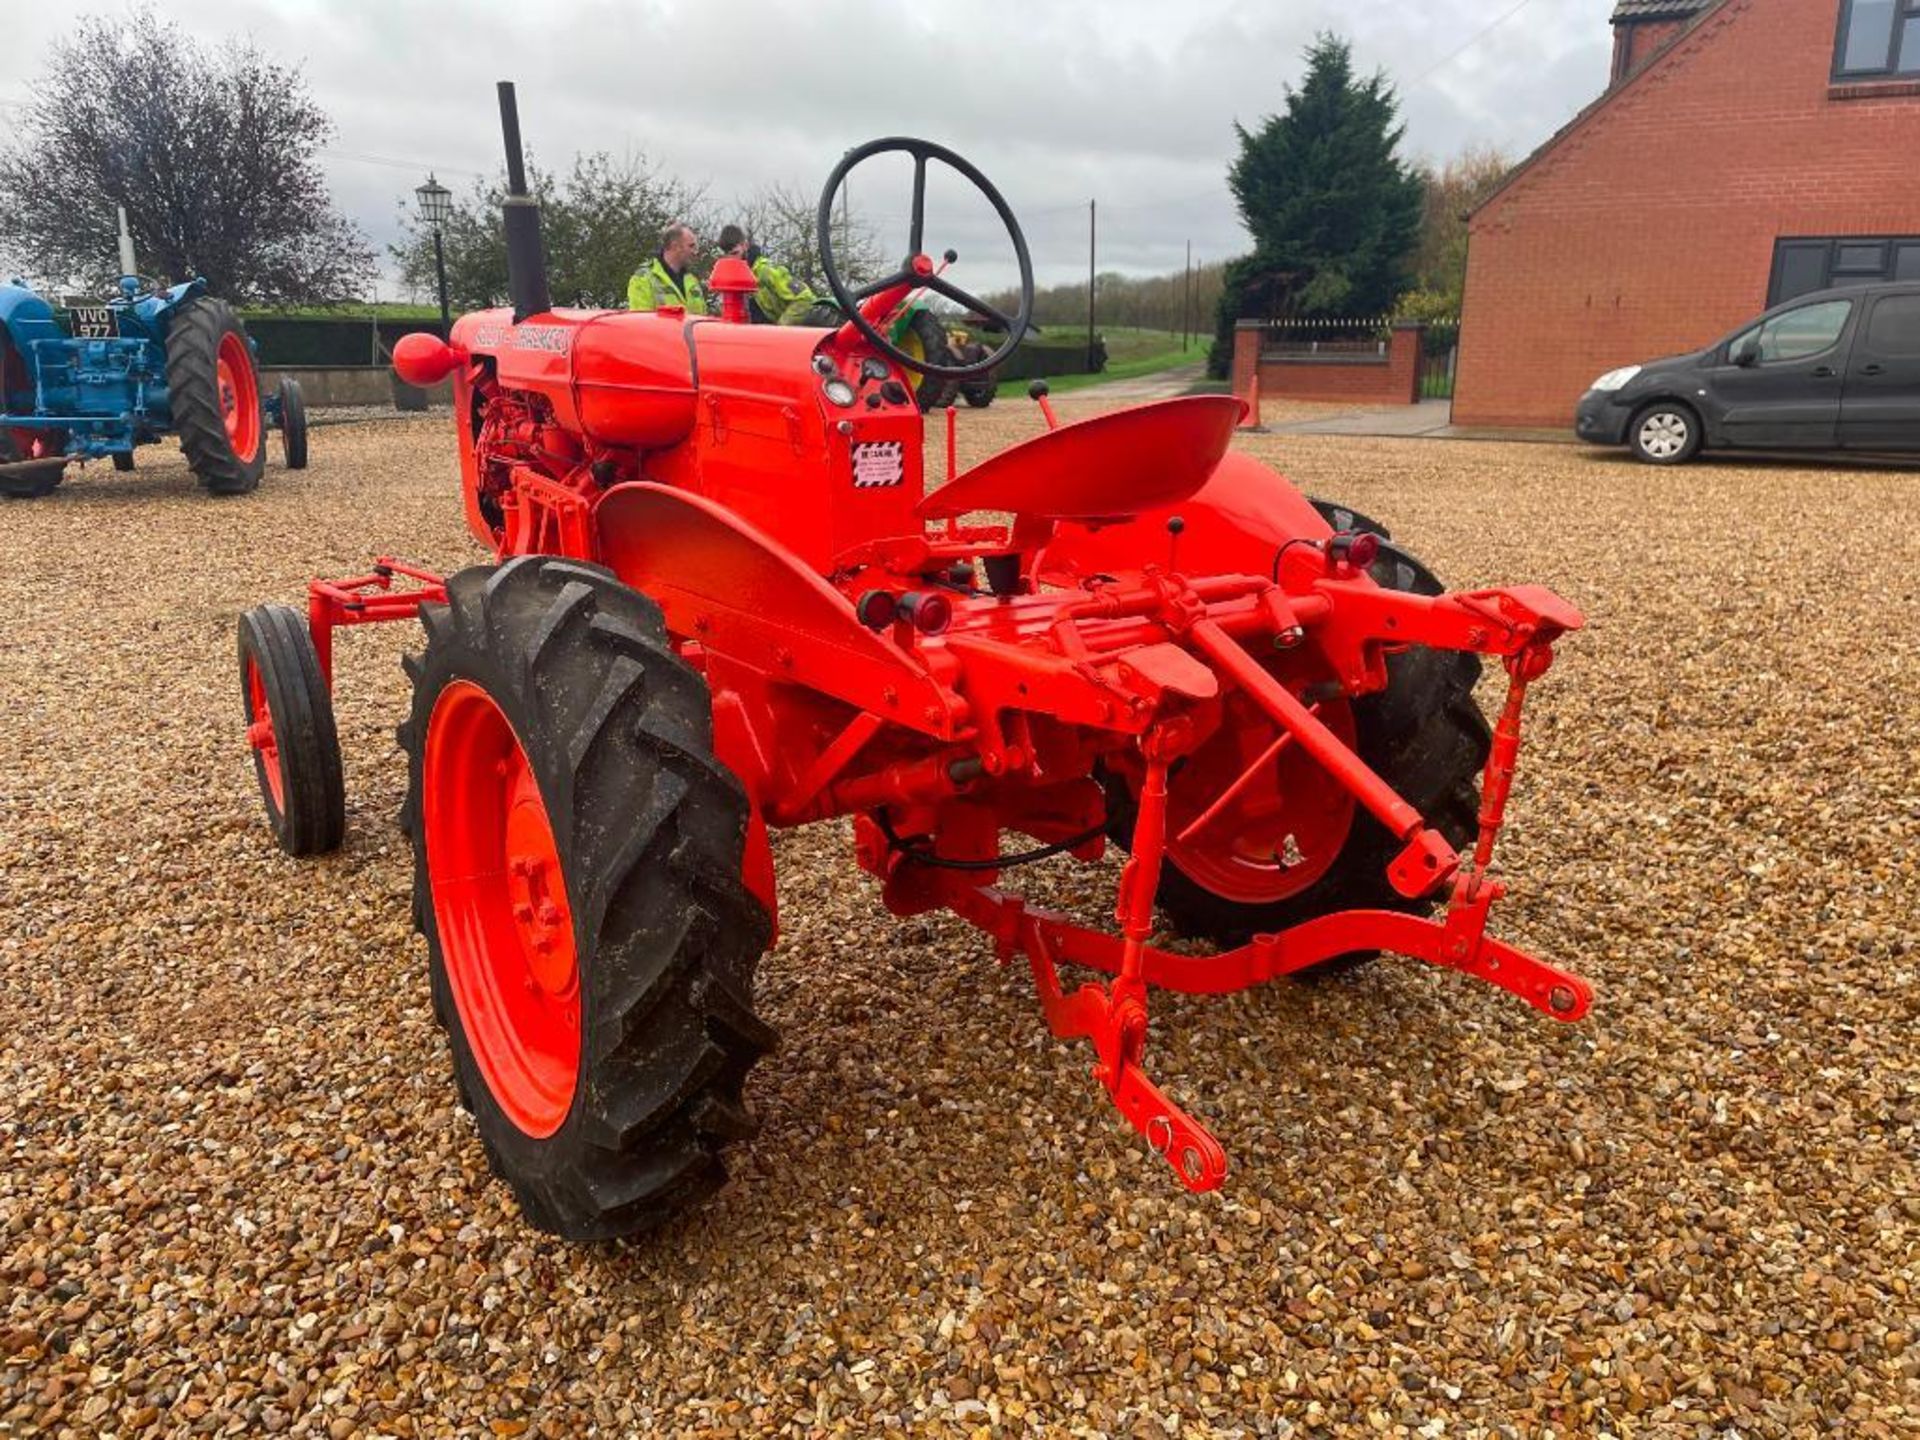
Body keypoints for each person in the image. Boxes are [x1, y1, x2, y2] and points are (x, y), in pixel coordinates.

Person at [717, 224, 820, 325]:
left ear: (745, 246)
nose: (733, 260)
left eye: (735, 253)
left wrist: (780, 330)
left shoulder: (765, 270)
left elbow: (804, 299)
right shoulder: (739, 279)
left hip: (804, 326)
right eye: (727, 256)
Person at [627, 223, 707, 314]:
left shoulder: (692, 281)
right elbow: (641, 322)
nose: (695, 252)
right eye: (691, 246)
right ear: (675, 246)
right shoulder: (643, 278)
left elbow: (702, 320)